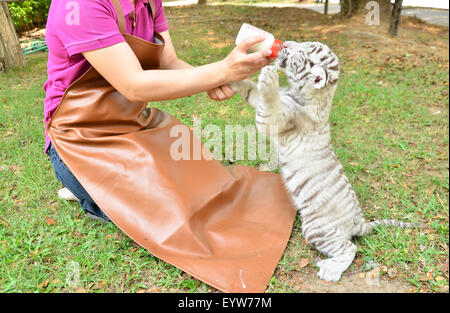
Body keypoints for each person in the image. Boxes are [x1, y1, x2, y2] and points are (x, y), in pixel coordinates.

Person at [44, 0, 272, 222]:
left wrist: (213, 79)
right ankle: (81, 186)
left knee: (199, 183)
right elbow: (133, 84)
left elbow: (169, 61)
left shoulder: (150, 2)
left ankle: (91, 187)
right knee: (164, 212)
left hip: (131, 125)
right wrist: (221, 71)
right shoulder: (79, 4)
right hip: (79, 140)